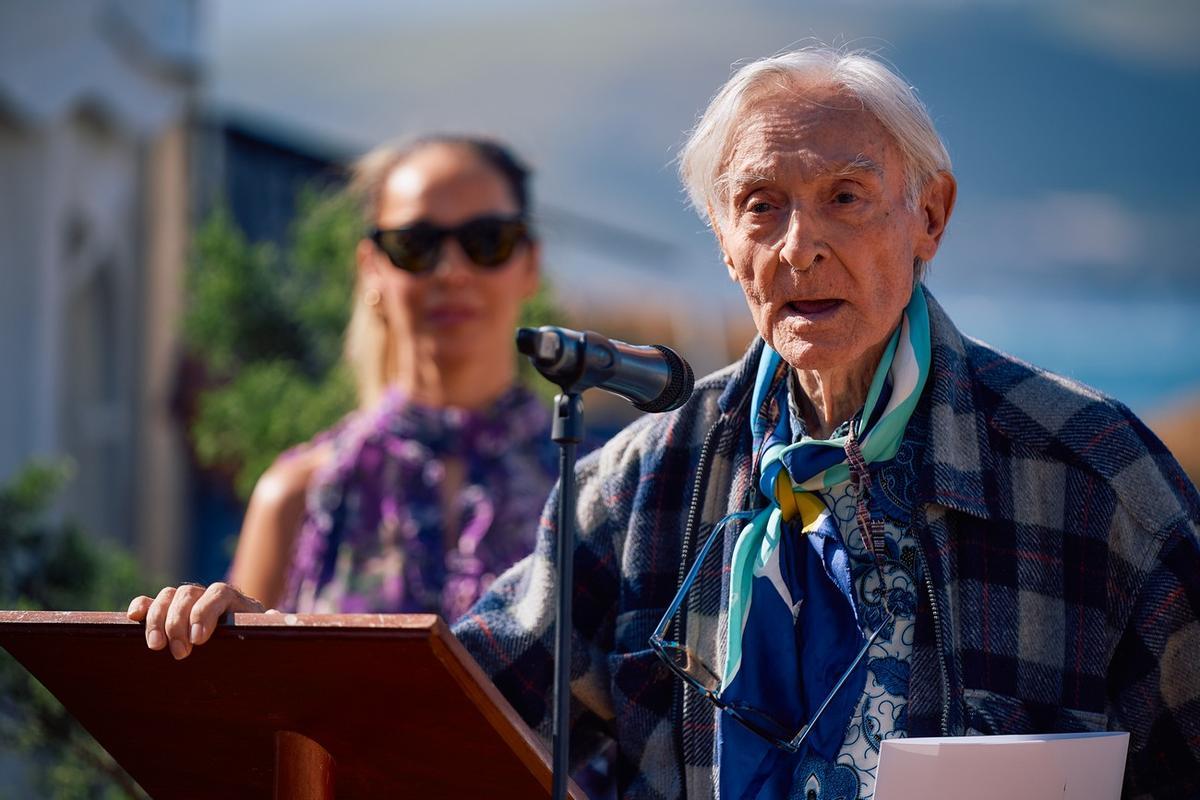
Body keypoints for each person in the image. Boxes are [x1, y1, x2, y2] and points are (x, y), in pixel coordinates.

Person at [130, 49, 1200, 799]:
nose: (797, 246)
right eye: (760, 206)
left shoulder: (1087, 470)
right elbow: (466, 708)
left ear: (930, 217)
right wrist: (256, 655)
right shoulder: (645, 476)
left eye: (845, 197)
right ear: (726, 246)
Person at [153, 135, 558, 656]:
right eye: (416, 245)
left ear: (529, 263)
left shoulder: (589, 489)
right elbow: (249, 719)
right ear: (372, 267)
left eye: (487, 241)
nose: (452, 271)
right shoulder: (297, 495)